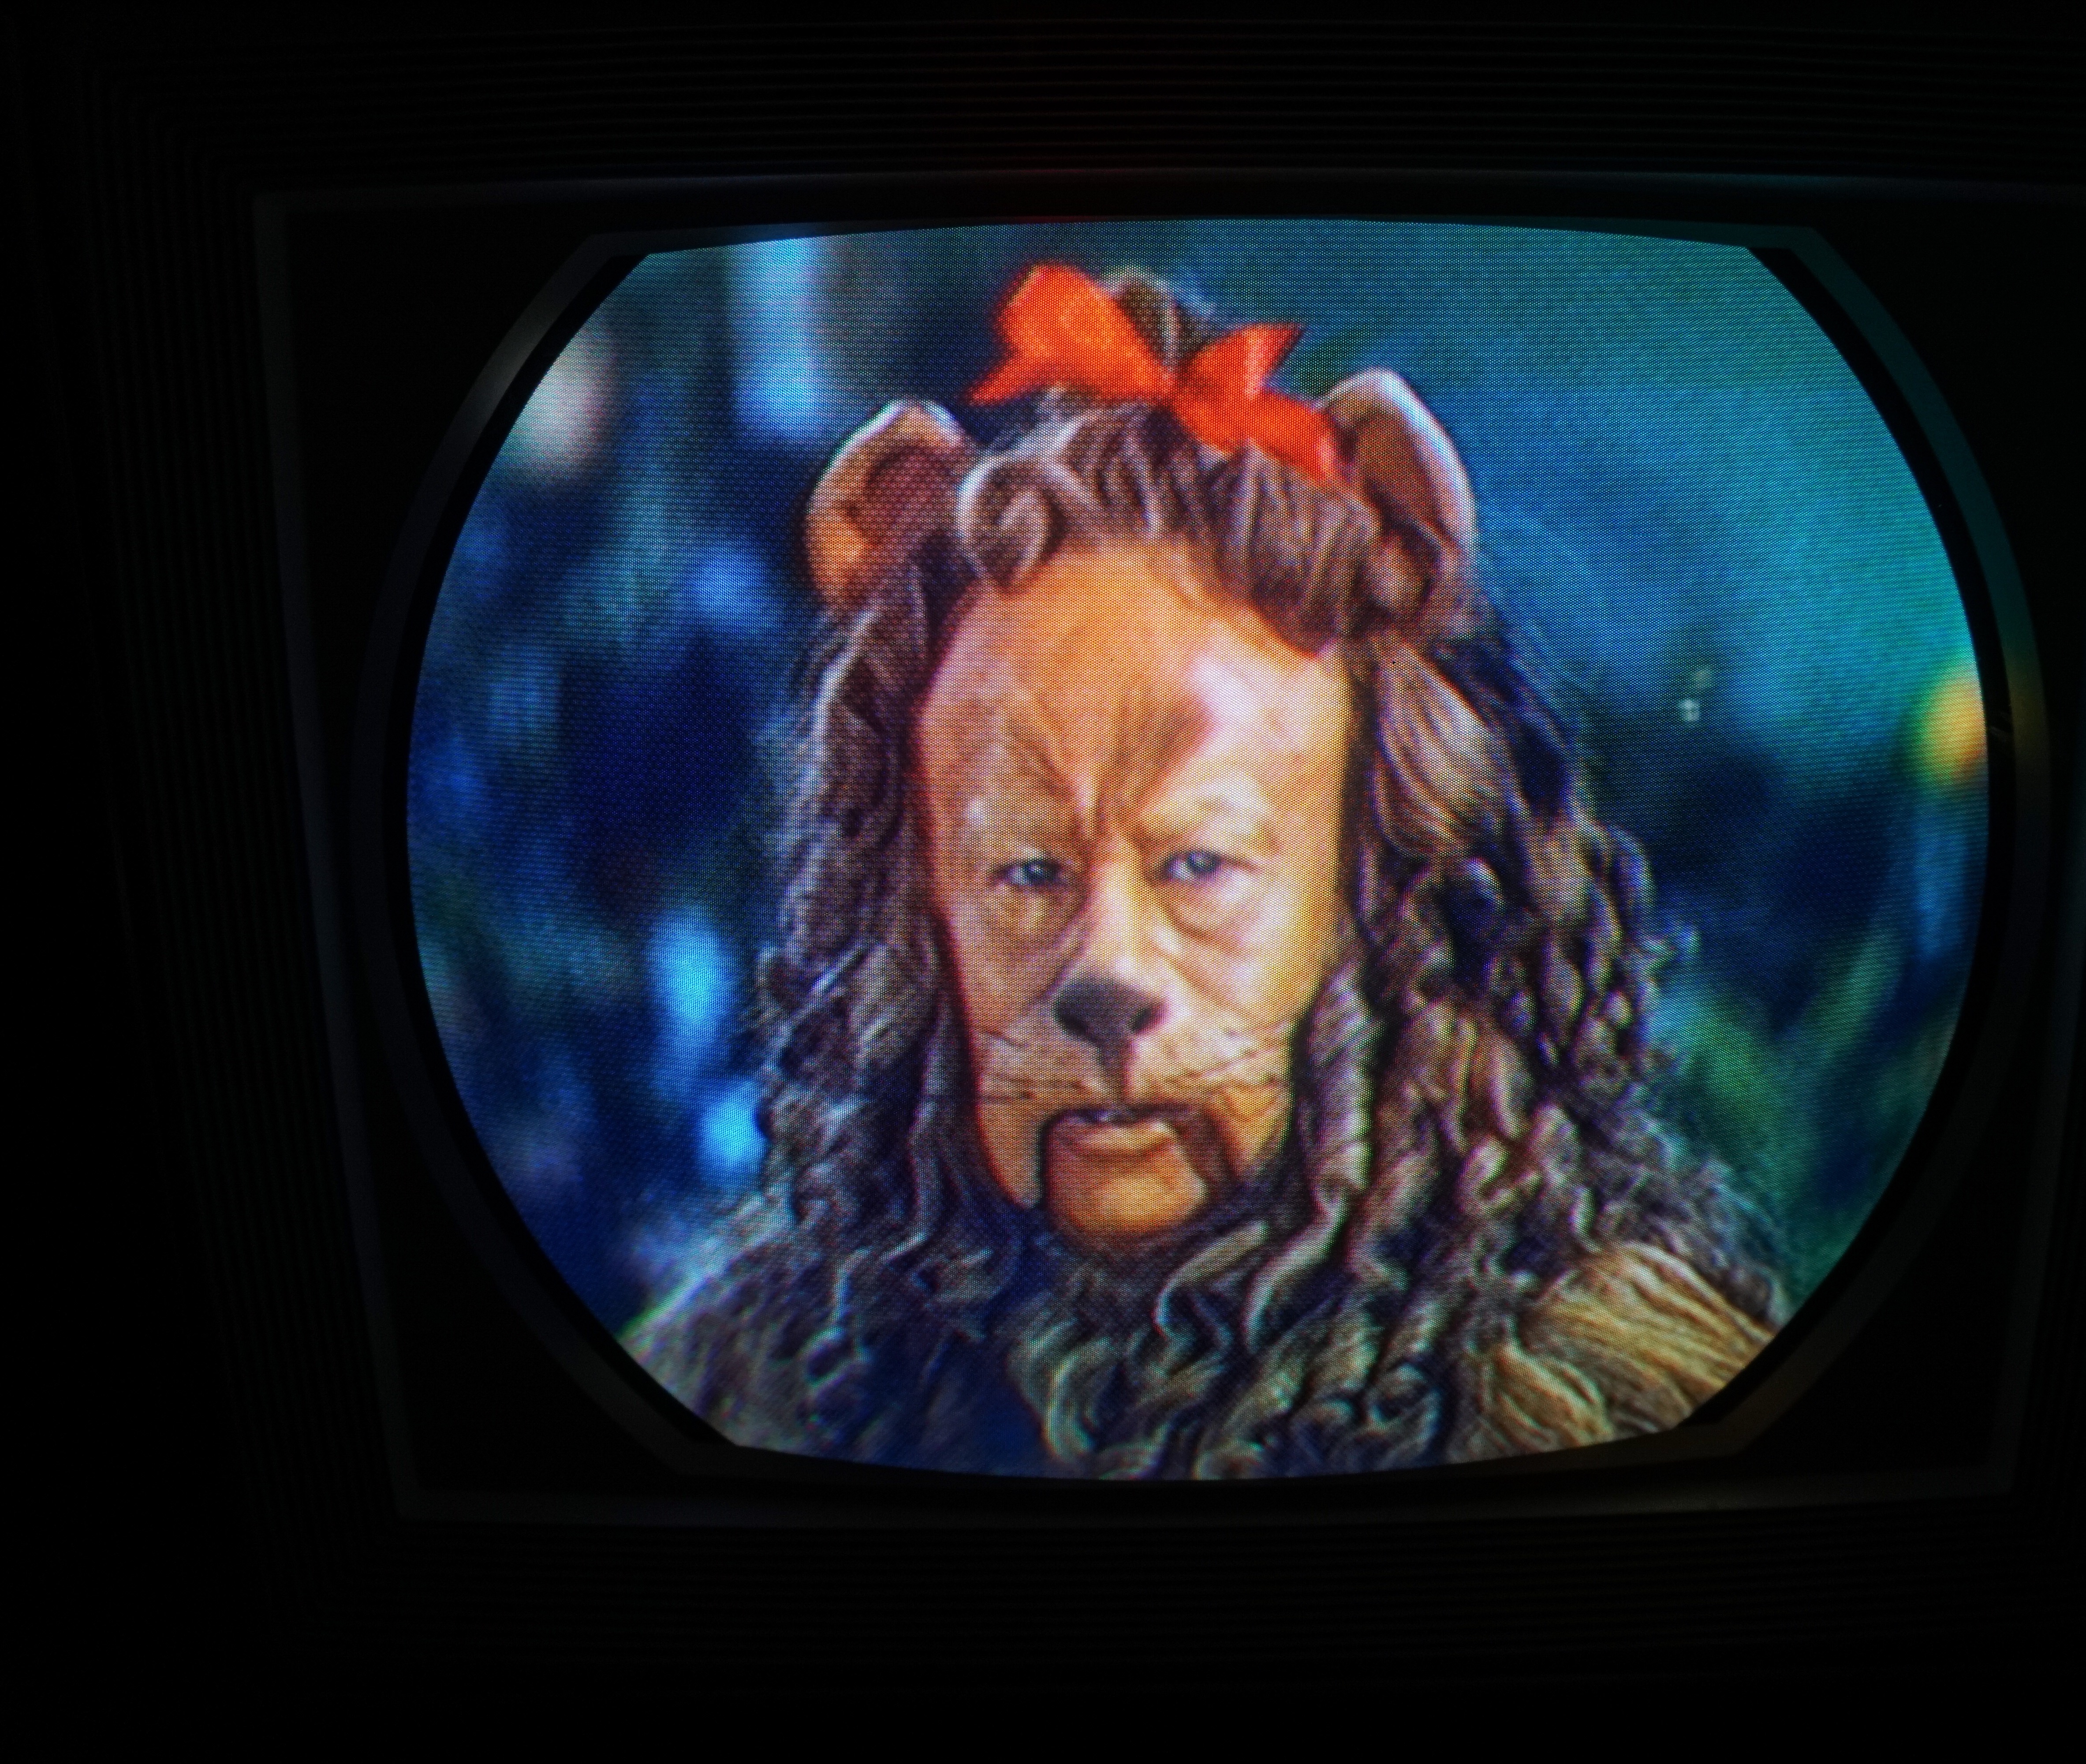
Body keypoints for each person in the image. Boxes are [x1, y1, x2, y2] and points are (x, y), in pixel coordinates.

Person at [631, 264, 1779, 1478]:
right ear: (912, 911)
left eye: (1198, 864)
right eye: (1026, 873)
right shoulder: (763, 1373)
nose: (1107, 973)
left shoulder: (1606, 1399)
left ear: (1389, 892)